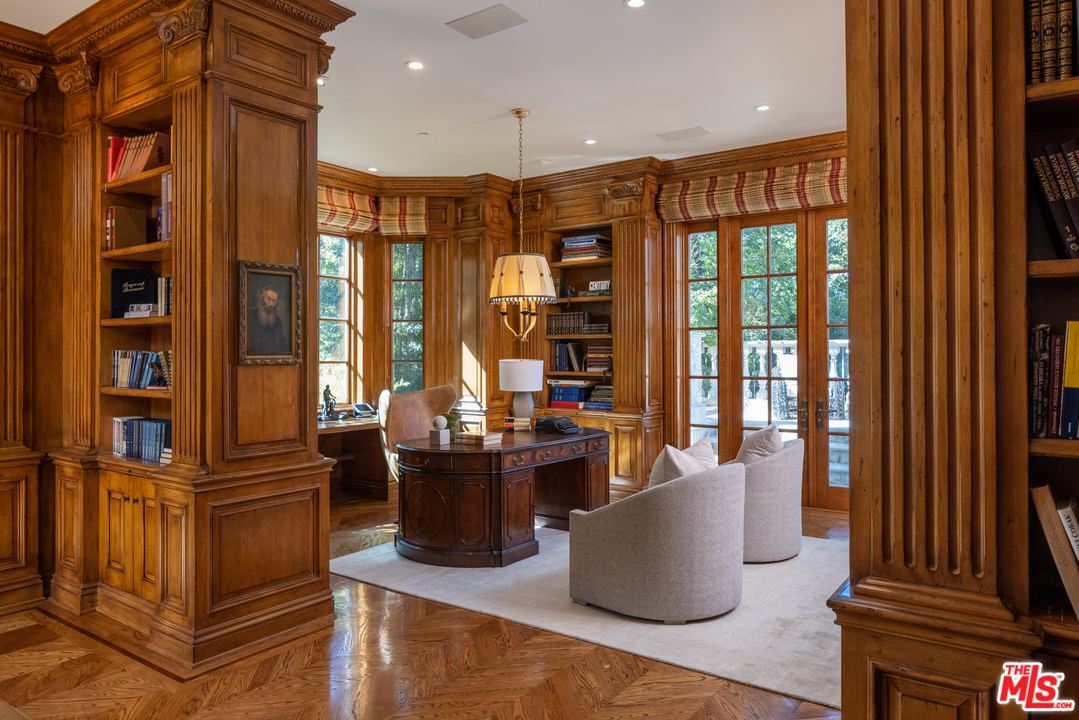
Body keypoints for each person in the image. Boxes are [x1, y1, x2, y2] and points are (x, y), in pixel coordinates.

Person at [249, 285, 288, 354]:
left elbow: (283, 346)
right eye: (268, 299)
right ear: (261, 299)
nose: (270, 304)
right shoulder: (251, 316)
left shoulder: (278, 321)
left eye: (273, 301)